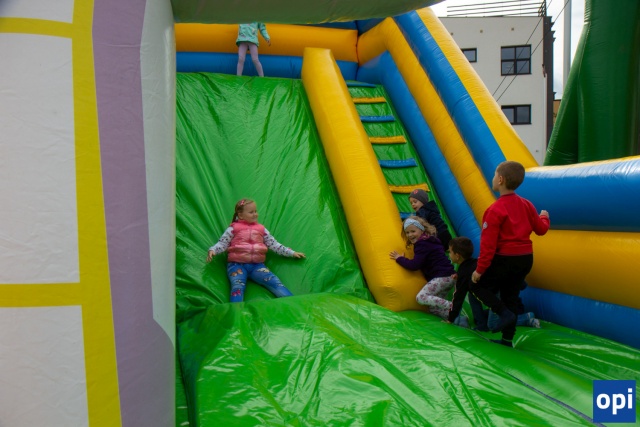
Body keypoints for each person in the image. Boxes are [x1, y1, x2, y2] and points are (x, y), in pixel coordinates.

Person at [470, 161, 549, 347]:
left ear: (500, 179)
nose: (492, 178)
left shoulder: (494, 210)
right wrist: (544, 217)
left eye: (494, 175)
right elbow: (541, 229)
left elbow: (488, 245)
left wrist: (479, 270)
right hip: (525, 259)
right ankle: (507, 340)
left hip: (505, 259)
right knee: (510, 296)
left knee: (475, 286)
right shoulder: (527, 205)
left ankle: (503, 313)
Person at [207, 198, 305, 302]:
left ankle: (294, 303)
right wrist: (213, 250)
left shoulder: (261, 229)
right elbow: (223, 243)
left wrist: (291, 253)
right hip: (236, 265)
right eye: (251, 212)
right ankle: (236, 310)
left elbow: (274, 244)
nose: (255, 214)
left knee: (275, 282)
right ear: (240, 215)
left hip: (257, 266)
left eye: (255, 211)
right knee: (237, 287)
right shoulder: (233, 228)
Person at [446, 237, 540, 330]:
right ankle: (481, 323)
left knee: (493, 324)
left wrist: (450, 319)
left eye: (450, 252)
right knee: (471, 293)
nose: (449, 253)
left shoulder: (465, 272)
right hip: (502, 285)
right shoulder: (474, 264)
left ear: (457, 256)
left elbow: (458, 297)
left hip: (500, 291)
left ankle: (526, 318)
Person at [390, 216, 456, 320]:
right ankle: (457, 318)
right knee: (433, 308)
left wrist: (400, 259)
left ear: (422, 230)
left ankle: (453, 306)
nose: (410, 235)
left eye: (413, 231)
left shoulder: (422, 244)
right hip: (449, 277)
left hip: (442, 277)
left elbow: (414, 265)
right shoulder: (430, 240)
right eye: (407, 232)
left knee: (421, 297)